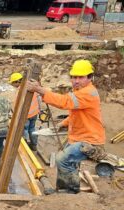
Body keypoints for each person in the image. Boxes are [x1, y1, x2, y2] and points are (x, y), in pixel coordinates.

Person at [27, 59, 106, 194]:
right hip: (78, 136)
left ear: (89, 78)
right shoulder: (80, 91)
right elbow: (77, 115)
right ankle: (62, 188)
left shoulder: (88, 93)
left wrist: (40, 90)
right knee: (69, 162)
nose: (76, 80)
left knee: (62, 159)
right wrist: (63, 124)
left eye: (80, 77)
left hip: (90, 140)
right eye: (74, 77)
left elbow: (64, 102)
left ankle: (70, 190)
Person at [9, 72, 41, 151]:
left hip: (26, 115)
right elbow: (39, 98)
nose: (13, 86)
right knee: (32, 128)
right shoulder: (31, 86)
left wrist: (13, 113)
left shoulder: (20, 90)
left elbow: (17, 104)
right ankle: (34, 145)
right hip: (34, 113)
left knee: (25, 130)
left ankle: (25, 147)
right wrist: (39, 109)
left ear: (17, 82)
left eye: (13, 83)